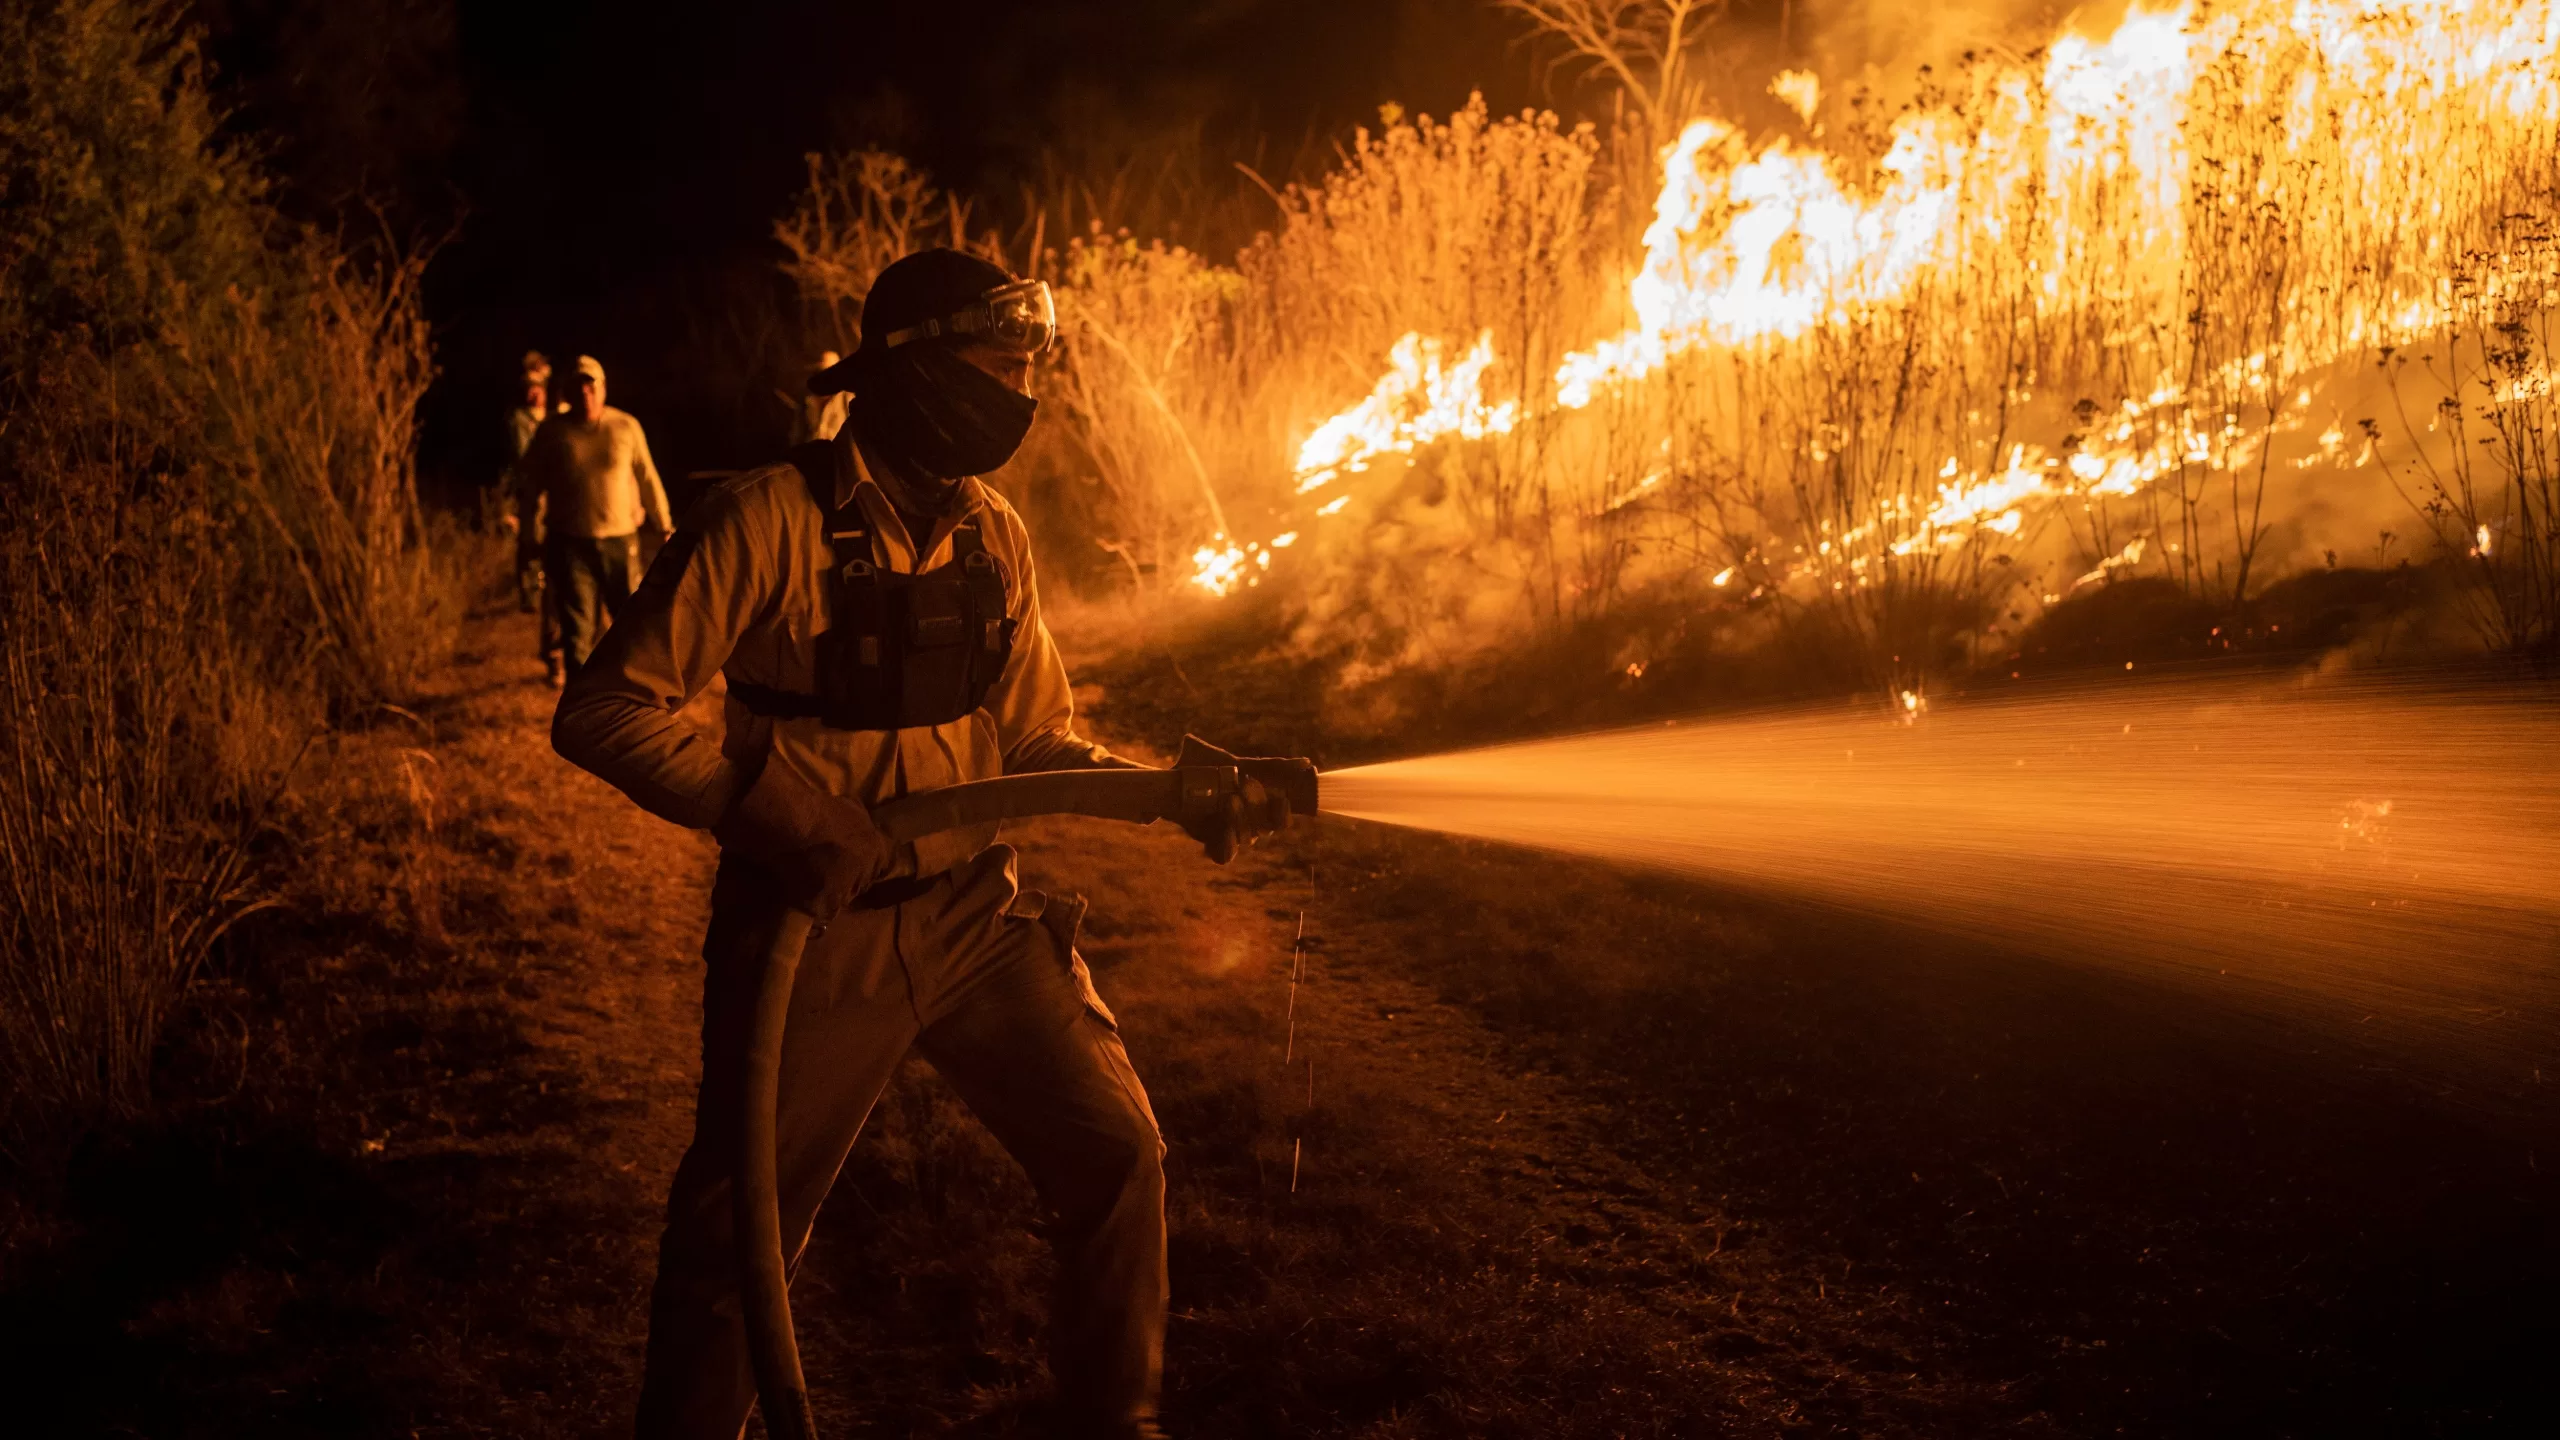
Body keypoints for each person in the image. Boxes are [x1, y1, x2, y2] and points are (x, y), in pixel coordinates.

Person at [553, 249, 1256, 1439]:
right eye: (998, 363)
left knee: (1117, 1152)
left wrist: (1166, 793)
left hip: (976, 919)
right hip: (815, 937)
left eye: (1032, 365)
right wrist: (778, 815)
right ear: (910, 371)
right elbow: (603, 709)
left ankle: (1112, 1422)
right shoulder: (764, 520)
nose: (1021, 390)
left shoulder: (994, 538)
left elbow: (1033, 739)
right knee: (740, 1240)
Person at [515, 354, 673, 685]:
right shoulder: (552, 433)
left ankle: (634, 698)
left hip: (620, 540)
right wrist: (528, 535)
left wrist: (664, 525)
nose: (585, 393)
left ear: (603, 389)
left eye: (591, 386)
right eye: (578, 387)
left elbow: (647, 478)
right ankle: (582, 708)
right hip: (570, 544)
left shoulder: (625, 427)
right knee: (578, 631)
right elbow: (529, 488)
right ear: (568, 393)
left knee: (631, 623)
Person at [789, 348, 849, 444]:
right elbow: (796, 437)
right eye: (824, 371)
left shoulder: (846, 400)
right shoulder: (807, 402)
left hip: (837, 456)